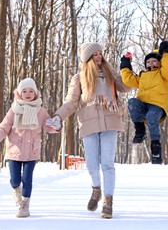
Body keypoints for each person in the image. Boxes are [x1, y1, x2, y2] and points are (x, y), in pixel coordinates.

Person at [47, 42, 131, 219]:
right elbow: (71, 103)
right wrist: (58, 117)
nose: (99, 57)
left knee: (107, 164)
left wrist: (127, 67)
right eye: (95, 54)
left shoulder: (111, 74)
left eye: (100, 53)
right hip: (88, 123)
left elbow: (127, 86)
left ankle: (108, 201)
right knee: (92, 165)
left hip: (110, 121)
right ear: (87, 58)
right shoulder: (78, 78)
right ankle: (96, 189)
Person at [0, 77, 56, 218]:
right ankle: (16, 191)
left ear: (35, 93)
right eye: (24, 91)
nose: (28, 93)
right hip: (14, 151)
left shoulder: (41, 111)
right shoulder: (14, 110)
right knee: (15, 180)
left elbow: (48, 126)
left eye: (31, 90)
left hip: (32, 151)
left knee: (27, 179)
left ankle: (24, 205)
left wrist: (54, 125)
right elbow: (4, 126)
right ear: (19, 93)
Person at [119, 45, 168, 164]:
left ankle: (156, 147)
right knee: (132, 102)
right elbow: (128, 79)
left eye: (154, 61)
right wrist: (125, 64)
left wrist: (165, 54)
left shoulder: (162, 74)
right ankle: (140, 130)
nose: (151, 63)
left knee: (151, 117)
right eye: (148, 62)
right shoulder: (142, 76)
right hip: (143, 104)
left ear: (159, 62)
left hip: (157, 105)